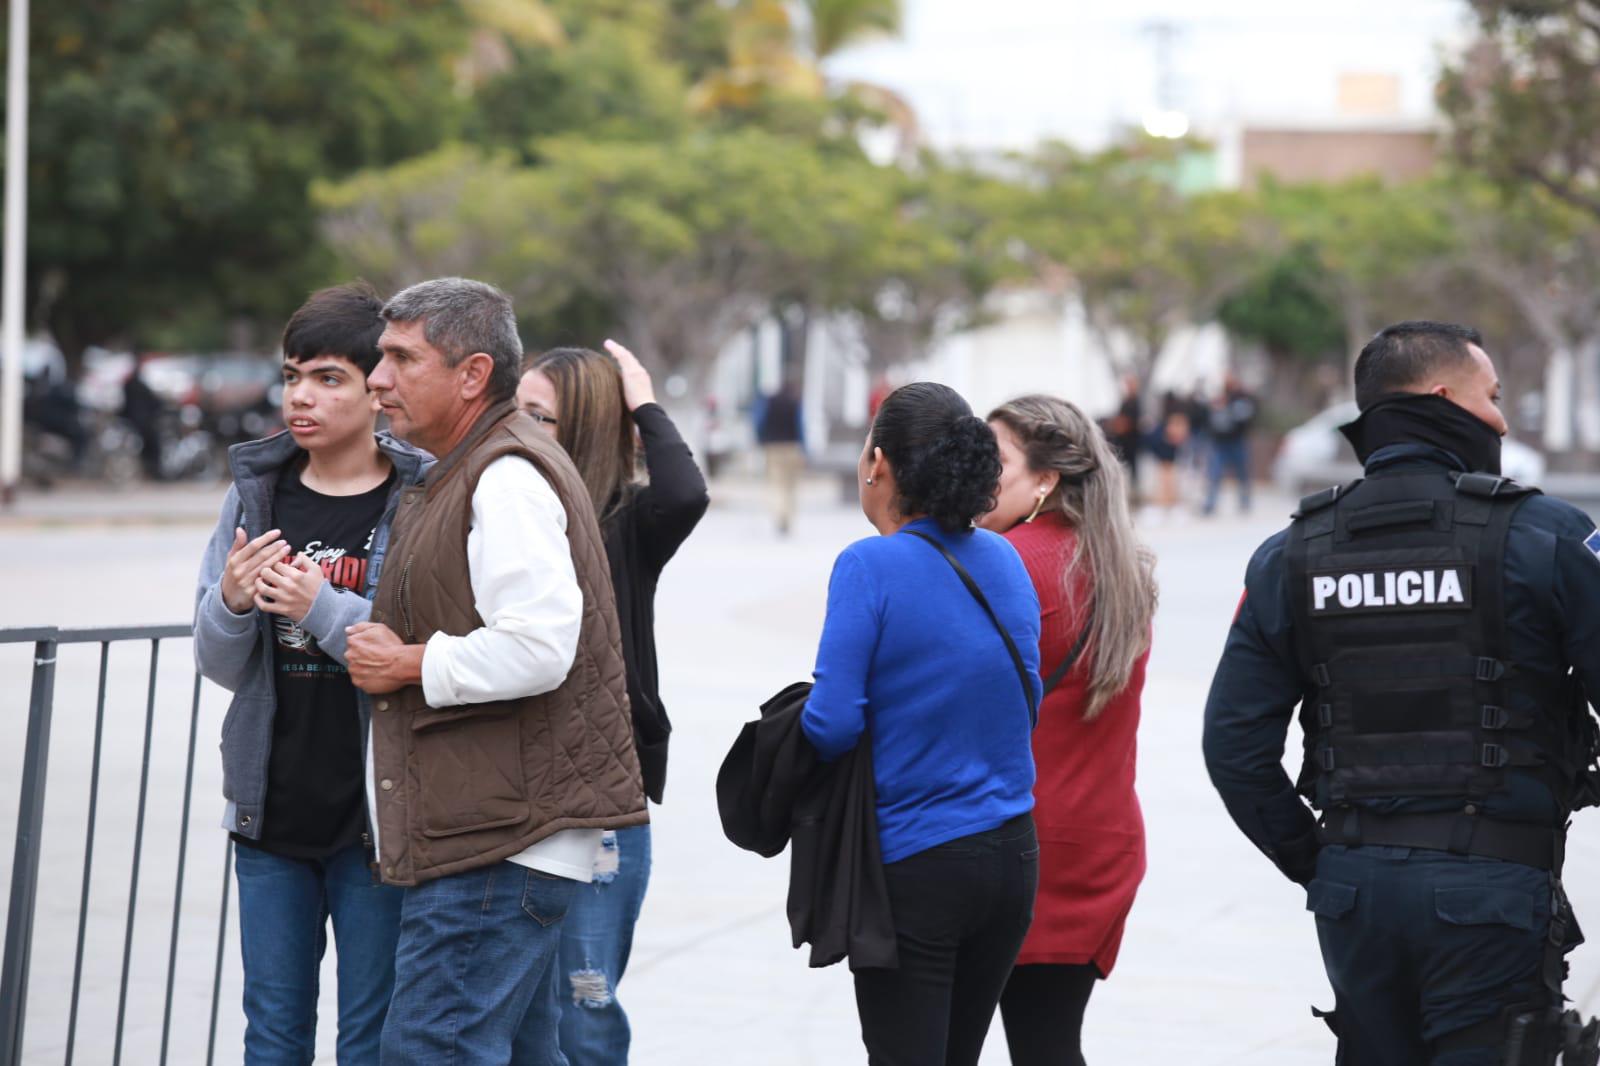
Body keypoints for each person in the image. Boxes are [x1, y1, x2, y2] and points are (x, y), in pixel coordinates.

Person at [1203, 321, 1600, 1063]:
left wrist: (1317, 862)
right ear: (1445, 398)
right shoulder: (1544, 535)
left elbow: (1232, 748)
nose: (1503, 421)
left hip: (1354, 891)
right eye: (1494, 397)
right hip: (1494, 889)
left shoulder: (1291, 552)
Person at [342, 277, 647, 1066]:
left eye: (402, 358)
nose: (378, 379)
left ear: (473, 374)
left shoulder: (505, 475)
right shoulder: (472, 465)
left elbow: (541, 645)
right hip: (496, 834)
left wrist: (411, 663)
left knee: (429, 1050)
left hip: (497, 842)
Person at [193, 282, 429, 1064]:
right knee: (272, 1036)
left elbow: (422, 651)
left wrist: (321, 604)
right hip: (270, 816)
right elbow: (221, 664)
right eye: (293, 375)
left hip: (376, 821)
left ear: (377, 387)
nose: (302, 396)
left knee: (370, 1041)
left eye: (328, 378)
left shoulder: (418, 498)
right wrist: (229, 600)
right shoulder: (255, 496)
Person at [802, 381, 1041, 1066]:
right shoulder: (1003, 556)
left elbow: (831, 725)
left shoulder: (868, 565)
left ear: (876, 463)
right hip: (1013, 857)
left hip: (919, 864)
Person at [517, 340, 709, 1064]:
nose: (521, 431)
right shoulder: (499, 513)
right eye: (518, 412)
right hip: (509, 790)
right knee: (523, 1010)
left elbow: (687, 491)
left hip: (600, 800)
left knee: (586, 1001)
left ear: (588, 429)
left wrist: (642, 399)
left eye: (543, 417)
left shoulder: (624, 526)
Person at [981, 395, 1154, 1066]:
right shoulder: (1122, 569)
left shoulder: (1005, 563)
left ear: (1046, 479)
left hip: (1016, 843)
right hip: (1099, 843)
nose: (978, 475)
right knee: (1050, 1043)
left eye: (995, 462)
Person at [1200, 372, 1257, 516]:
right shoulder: (1218, 398)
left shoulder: (1242, 399)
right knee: (1215, 473)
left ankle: (1245, 502)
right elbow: (1210, 420)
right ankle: (1210, 503)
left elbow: (1246, 418)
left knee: (1242, 473)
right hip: (1220, 442)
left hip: (1236, 441)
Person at [757, 374, 805, 535]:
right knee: (790, 486)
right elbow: (801, 426)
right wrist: (804, 448)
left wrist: (761, 439)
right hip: (792, 446)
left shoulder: (769, 402)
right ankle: (787, 518)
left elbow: (760, 422)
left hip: (773, 447)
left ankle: (779, 515)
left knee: (776, 484)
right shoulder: (795, 402)